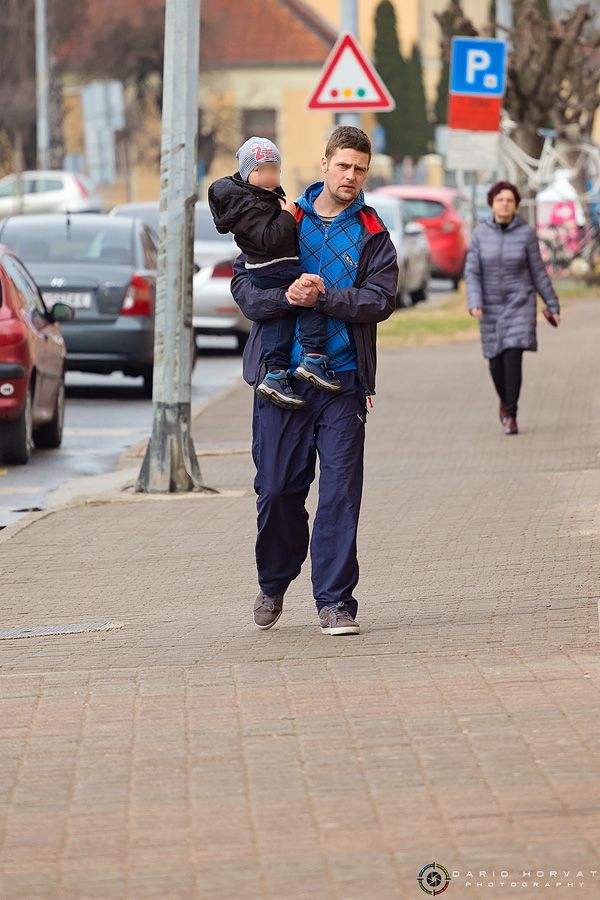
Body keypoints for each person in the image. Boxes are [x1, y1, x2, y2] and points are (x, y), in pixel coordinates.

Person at [230, 125, 398, 635]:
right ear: (324, 163)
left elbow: (380, 300)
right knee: (278, 490)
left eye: (360, 169)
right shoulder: (281, 217)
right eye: (343, 165)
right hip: (280, 379)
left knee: (341, 492)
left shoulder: (373, 232)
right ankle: (274, 581)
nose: (350, 176)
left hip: (343, 381)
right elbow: (245, 286)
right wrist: (289, 299)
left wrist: (323, 297)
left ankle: (335, 601)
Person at [208, 136, 340, 411]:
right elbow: (269, 239)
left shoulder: (259, 198)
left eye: (275, 169)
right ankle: (314, 358)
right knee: (311, 297)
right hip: (275, 265)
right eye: (265, 170)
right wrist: (287, 216)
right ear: (251, 173)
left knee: (278, 317)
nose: (273, 175)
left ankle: (276, 374)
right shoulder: (249, 205)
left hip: (271, 266)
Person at [465, 180, 560, 435]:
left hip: (520, 303)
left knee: (512, 356)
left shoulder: (526, 233)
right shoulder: (480, 233)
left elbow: (538, 272)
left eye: (509, 200)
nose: (504, 204)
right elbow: (472, 272)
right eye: (500, 200)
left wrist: (552, 303)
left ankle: (511, 413)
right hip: (490, 306)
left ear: (516, 205)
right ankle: (504, 402)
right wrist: (474, 301)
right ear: (492, 204)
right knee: (495, 363)